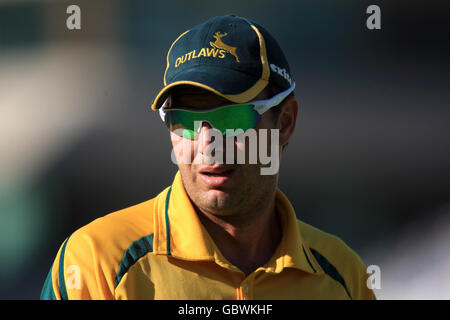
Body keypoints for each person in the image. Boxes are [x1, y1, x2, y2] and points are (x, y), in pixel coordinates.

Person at [41, 15, 376, 300]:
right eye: (184, 119)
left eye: (231, 118)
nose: (207, 143)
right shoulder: (95, 261)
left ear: (285, 123)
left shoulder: (344, 276)